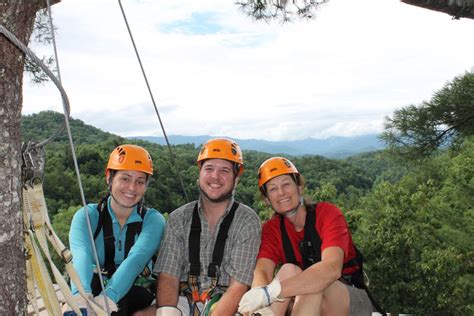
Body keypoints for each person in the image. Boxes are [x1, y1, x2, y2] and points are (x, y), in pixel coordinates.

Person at [238, 157, 373, 316]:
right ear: (267, 199)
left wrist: (270, 293)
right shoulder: (272, 230)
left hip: (349, 299)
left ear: (300, 187)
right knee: (289, 270)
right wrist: (258, 296)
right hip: (302, 303)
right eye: (273, 189)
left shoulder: (327, 214)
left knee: (313, 281)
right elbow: (263, 271)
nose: (281, 192)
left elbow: (331, 269)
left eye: (286, 184)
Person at [147, 138, 262, 316]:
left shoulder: (247, 221)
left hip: (226, 303)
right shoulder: (179, 218)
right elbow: (169, 275)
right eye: (209, 168)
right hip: (183, 300)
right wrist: (168, 312)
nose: (215, 176)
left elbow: (238, 286)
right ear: (200, 172)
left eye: (224, 170)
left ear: (236, 178)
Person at [67, 144, 166, 315]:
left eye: (140, 181)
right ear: (109, 178)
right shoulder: (88, 217)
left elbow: (136, 259)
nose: (132, 188)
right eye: (125, 179)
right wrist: (81, 296)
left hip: (135, 288)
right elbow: (80, 254)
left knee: (122, 303)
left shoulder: (152, 220)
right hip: (94, 283)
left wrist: (110, 298)